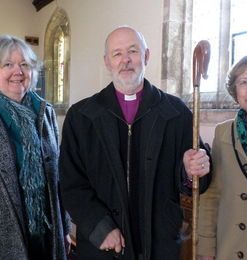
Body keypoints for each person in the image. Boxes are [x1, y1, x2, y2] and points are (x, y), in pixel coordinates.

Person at [60, 26, 211, 260]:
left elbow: (196, 180)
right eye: (117, 53)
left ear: (147, 56)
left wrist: (192, 170)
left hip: (160, 242)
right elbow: (70, 183)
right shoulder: (81, 117)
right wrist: (99, 227)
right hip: (104, 245)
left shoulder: (176, 112)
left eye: (133, 51)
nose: (126, 60)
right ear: (107, 62)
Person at [0, 35, 71, 259]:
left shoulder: (45, 111)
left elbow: (58, 175)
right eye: (8, 64)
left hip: (47, 230)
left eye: (24, 65)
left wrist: (66, 228)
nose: (18, 71)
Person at [197, 55, 247, 260]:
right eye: (244, 82)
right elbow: (212, 194)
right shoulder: (223, 133)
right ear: (235, 90)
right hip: (228, 247)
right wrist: (206, 248)